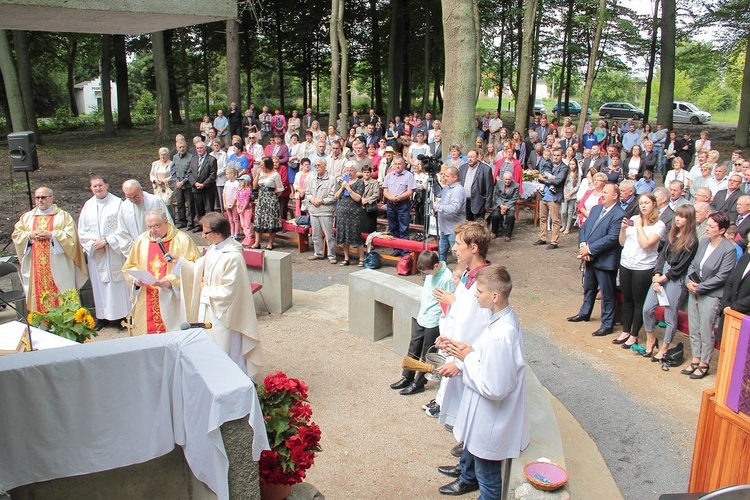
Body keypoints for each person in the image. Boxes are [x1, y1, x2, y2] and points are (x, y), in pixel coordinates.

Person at [435, 265, 528, 498]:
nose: (475, 295)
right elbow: (488, 359)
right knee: (485, 472)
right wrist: (464, 351)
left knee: (488, 479)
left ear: (494, 296)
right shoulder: (501, 318)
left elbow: (494, 387)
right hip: (487, 416)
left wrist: (466, 359)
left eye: (479, 291)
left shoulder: (502, 333)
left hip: (491, 419)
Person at [176, 212, 264, 376]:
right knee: (209, 347)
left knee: (226, 349)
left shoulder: (232, 257)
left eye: (206, 232)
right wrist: (179, 263)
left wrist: (205, 289)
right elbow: (198, 269)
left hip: (224, 314)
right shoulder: (214, 249)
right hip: (209, 307)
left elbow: (229, 291)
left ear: (217, 233)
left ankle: (232, 380)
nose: (203, 236)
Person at [432, 221, 492, 434]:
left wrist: (460, 362)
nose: (454, 248)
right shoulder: (467, 274)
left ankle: (469, 456)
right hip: (459, 354)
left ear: (474, 248)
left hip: (470, 361)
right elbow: (462, 317)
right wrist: (446, 337)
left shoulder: (485, 283)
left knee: (472, 413)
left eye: (458, 244)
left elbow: (480, 328)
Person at [121, 208, 200, 335]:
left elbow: (195, 268)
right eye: (149, 227)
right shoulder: (141, 241)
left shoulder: (182, 240)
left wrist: (172, 281)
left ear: (166, 222)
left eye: (156, 226)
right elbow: (129, 266)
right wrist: (136, 280)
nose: (153, 231)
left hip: (173, 298)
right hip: (147, 295)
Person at [12, 186, 87, 313]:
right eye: (37, 198)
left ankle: (66, 326)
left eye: (43, 197)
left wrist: (52, 235)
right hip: (36, 267)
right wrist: (29, 236)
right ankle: (42, 327)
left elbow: (72, 238)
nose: (40, 200)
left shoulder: (63, 216)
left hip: (59, 267)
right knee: (39, 298)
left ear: (51, 198)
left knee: (63, 298)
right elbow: (17, 235)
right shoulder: (27, 217)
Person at [391, 251, 455, 395]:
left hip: (434, 320)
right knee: (414, 346)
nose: (426, 274)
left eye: (426, 272)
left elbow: (448, 303)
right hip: (423, 315)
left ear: (436, 265)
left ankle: (419, 382)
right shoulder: (430, 272)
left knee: (427, 352)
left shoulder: (447, 278)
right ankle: (407, 376)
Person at [567, 183, 626, 337]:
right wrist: (582, 245)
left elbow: (612, 238)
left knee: (607, 293)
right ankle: (585, 312)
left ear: (615, 196)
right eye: (603, 192)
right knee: (588, 287)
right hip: (589, 256)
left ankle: (607, 324)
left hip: (605, 259)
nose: (602, 195)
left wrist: (590, 249)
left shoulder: (620, 214)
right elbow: (585, 228)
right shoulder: (596, 209)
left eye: (606, 192)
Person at [642, 204, 699, 360]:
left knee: (670, 315)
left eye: (682, 216)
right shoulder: (672, 234)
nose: (677, 219)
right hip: (661, 274)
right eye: (677, 215)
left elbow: (682, 266)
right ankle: (651, 339)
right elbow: (661, 256)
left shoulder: (692, 241)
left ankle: (665, 347)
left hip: (674, 278)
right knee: (647, 308)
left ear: (689, 220)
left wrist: (664, 277)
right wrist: (657, 274)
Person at [685, 212, 737, 379]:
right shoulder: (704, 242)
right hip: (694, 288)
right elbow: (693, 264)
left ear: (721, 230)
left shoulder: (729, 249)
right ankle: (695, 357)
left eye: (711, 226)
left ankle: (704, 362)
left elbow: (723, 276)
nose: (707, 228)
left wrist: (700, 287)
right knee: (693, 326)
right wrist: (688, 281)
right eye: (707, 225)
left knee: (705, 328)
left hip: (711, 294)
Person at [612, 193, 666, 348]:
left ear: (654, 204)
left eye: (647, 203)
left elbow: (646, 244)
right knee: (626, 299)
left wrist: (639, 226)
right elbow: (622, 242)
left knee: (638, 302)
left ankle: (634, 334)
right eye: (641, 203)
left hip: (643, 267)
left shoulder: (658, 225)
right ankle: (626, 331)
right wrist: (623, 229)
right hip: (626, 263)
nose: (643, 206)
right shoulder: (634, 218)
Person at [77, 176, 130, 330]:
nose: (98, 189)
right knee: (100, 286)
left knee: (117, 285)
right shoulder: (88, 206)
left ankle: (122, 317)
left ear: (106, 185)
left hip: (113, 251)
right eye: (94, 186)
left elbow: (122, 228)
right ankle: (102, 317)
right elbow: (82, 230)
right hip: (97, 253)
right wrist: (93, 244)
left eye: (100, 185)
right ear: (91, 188)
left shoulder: (117, 204)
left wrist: (107, 241)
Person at [114, 179, 173, 257]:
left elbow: (168, 224)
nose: (133, 200)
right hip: (137, 252)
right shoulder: (124, 207)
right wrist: (133, 252)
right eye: (129, 198)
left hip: (159, 248)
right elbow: (122, 233)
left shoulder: (155, 201)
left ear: (141, 190)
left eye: (136, 196)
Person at [534, 148, 568, 250]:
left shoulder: (564, 168)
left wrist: (544, 180)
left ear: (562, 156)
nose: (556, 157)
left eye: (558, 155)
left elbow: (558, 181)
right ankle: (542, 237)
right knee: (542, 218)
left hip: (554, 197)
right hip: (544, 195)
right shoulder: (548, 164)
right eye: (555, 155)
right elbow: (540, 174)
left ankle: (554, 241)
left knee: (555, 220)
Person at [306, 158, 338, 263]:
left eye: (319, 165)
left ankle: (332, 255)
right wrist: (311, 199)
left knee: (329, 235)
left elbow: (334, 197)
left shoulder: (332, 179)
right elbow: (307, 193)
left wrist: (322, 201)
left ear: (325, 165)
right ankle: (318, 253)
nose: (317, 167)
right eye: (315, 166)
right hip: (314, 210)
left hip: (326, 211)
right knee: (316, 235)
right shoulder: (311, 179)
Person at [382, 156, 416, 255]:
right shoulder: (389, 175)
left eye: (399, 164)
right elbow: (385, 190)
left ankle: (405, 251)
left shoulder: (409, 175)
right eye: (396, 164)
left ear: (403, 165)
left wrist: (399, 198)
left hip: (403, 204)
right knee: (393, 228)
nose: (397, 166)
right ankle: (397, 249)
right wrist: (390, 197)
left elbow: (410, 191)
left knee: (404, 228)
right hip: (391, 204)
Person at [334, 162, 366, 266]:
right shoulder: (344, 182)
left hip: (354, 213)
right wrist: (342, 187)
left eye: (351, 170)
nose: (349, 172)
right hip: (342, 213)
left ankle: (361, 258)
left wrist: (348, 188)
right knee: (344, 236)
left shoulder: (360, 182)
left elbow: (358, 198)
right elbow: (336, 196)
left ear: (356, 171)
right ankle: (346, 258)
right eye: (347, 170)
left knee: (356, 236)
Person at [251, 157, 283, 250]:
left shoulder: (275, 175)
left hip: (271, 199)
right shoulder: (260, 173)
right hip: (261, 198)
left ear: (267, 165)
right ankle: (257, 242)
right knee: (259, 219)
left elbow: (280, 189)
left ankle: (270, 243)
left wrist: (273, 198)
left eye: (262, 165)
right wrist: (257, 175)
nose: (260, 166)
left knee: (271, 221)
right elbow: (255, 185)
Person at [187, 141, 218, 232]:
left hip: (208, 189)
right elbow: (189, 173)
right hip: (196, 188)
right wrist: (194, 183)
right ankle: (200, 225)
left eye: (201, 148)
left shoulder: (212, 159)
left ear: (205, 148)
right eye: (198, 148)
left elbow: (213, 175)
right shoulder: (193, 159)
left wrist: (203, 184)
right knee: (198, 208)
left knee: (209, 209)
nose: (199, 150)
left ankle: (209, 227)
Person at [458, 149, 494, 222]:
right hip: (465, 203)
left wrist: (488, 205)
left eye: (472, 157)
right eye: (468, 157)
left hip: (479, 203)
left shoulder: (486, 169)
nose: (470, 159)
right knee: (467, 227)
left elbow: (489, 188)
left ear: (477, 157)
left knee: (478, 227)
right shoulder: (462, 168)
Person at [491, 172, 519, 241]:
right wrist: (501, 205)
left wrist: (506, 207)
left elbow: (514, 198)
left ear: (512, 179)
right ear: (503, 179)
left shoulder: (516, 186)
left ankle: (508, 234)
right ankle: (494, 231)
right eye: (506, 179)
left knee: (511, 216)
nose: (507, 181)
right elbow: (496, 196)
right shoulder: (499, 183)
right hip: (500, 203)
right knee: (495, 215)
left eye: (509, 179)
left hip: (510, 204)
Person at [150, 147, 175, 219]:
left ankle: (170, 221)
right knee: (158, 204)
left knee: (167, 204)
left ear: (167, 155)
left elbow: (173, 176)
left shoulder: (171, 164)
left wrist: (164, 181)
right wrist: (155, 180)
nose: (162, 156)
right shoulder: (155, 164)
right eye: (161, 155)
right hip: (157, 188)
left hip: (167, 188)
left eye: (164, 155)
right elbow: (151, 174)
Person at [562, 160, 580, 235]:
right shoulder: (567, 173)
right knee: (563, 211)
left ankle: (568, 227)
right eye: (570, 164)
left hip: (573, 194)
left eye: (573, 164)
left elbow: (577, 186)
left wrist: (570, 194)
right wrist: (566, 193)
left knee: (570, 212)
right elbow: (564, 184)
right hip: (565, 193)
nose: (571, 166)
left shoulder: (578, 174)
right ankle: (563, 225)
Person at [236, 175, 255, 247]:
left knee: (247, 224)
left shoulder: (248, 191)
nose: (240, 182)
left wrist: (242, 209)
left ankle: (249, 236)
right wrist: (238, 208)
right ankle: (246, 235)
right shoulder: (240, 190)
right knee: (243, 224)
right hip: (240, 209)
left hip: (246, 209)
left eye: (241, 181)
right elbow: (238, 199)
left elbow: (247, 201)